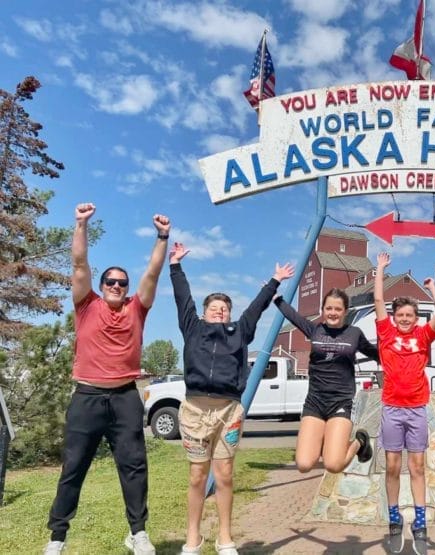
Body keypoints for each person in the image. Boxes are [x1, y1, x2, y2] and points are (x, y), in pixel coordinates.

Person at [44, 203, 170, 555]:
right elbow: (79, 264)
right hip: (87, 397)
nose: (116, 285)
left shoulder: (136, 308)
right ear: (101, 286)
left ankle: (137, 533)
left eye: (121, 283)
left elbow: (152, 274)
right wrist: (81, 224)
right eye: (110, 282)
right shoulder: (87, 303)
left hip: (125, 398)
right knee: (73, 468)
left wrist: (162, 236)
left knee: (134, 468)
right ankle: (57, 537)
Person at [169, 242, 292, 555]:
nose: (220, 310)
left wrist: (274, 280)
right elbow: (183, 298)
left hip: (229, 412)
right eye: (214, 307)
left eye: (224, 308)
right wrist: (175, 266)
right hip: (195, 410)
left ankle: (225, 539)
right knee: (197, 476)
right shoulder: (193, 328)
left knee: (224, 475)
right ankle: (192, 539)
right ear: (206, 312)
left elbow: (256, 307)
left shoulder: (240, 331)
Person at [374, 252, 435, 555]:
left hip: (417, 408)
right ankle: (393, 517)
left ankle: (420, 521)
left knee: (417, 466)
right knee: (392, 465)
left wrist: (434, 293)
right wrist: (380, 269)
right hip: (391, 407)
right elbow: (377, 302)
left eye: (409, 315)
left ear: (416, 318)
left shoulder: (423, 335)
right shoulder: (386, 332)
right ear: (394, 316)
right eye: (400, 314)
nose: (404, 319)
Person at [272, 285, 379, 474]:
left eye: (338, 309)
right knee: (304, 464)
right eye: (328, 308)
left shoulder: (354, 333)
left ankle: (359, 443)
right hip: (315, 402)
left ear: (345, 311)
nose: (333, 313)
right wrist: (274, 295)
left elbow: (375, 353)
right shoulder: (315, 330)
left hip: (341, 402)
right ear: (323, 310)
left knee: (333, 465)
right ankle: (328, 442)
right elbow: (293, 316)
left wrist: (401, 358)